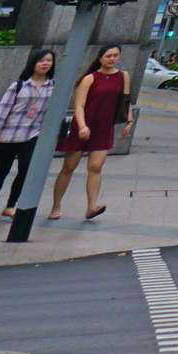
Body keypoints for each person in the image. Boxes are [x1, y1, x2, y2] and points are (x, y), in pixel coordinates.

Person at [46, 45, 130, 222]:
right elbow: (79, 106)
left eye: (115, 55)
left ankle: (92, 206)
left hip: (104, 128)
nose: (112, 59)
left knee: (96, 167)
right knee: (69, 167)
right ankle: (56, 206)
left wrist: (129, 121)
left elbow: (125, 101)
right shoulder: (89, 78)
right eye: (108, 56)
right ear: (100, 58)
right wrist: (83, 126)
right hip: (83, 127)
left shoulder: (123, 76)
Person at [0, 49, 58, 220]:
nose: (45, 63)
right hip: (9, 135)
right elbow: (3, 109)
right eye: (41, 60)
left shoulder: (52, 86)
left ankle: (10, 206)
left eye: (49, 60)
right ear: (33, 63)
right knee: (1, 172)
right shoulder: (19, 86)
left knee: (26, 169)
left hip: (32, 134)